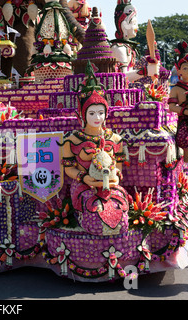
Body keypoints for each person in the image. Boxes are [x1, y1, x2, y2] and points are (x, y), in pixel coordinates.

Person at [62, 62, 129, 236]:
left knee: (119, 210)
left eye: (101, 112)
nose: (97, 117)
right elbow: (69, 168)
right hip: (84, 186)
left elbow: (119, 165)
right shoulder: (72, 140)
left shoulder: (114, 139)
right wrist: (85, 178)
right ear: (82, 115)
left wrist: (116, 177)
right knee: (94, 211)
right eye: (91, 113)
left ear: (107, 114)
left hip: (110, 186)